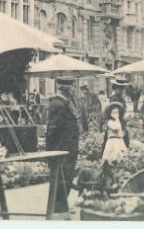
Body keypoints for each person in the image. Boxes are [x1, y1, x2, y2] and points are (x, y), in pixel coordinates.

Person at [45, 79, 82, 216]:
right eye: (71, 87)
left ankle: (62, 206)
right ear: (65, 89)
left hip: (66, 148)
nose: (73, 89)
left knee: (66, 177)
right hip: (61, 149)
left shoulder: (64, 103)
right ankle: (58, 207)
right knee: (62, 177)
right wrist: (53, 151)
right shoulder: (58, 104)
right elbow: (53, 129)